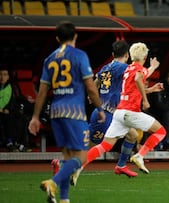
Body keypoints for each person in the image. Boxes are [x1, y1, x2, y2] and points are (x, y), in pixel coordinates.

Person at [28, 21, 106, 203]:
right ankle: (52, 183)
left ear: (57, 38)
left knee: (67, 157)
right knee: (81, 156)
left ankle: (64, 199)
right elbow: (91, 87)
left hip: (56, 111)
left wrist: (35, 116)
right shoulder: (79, 56)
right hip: (74, 112)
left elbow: (42, 91)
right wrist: (100, 108)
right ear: (75, 37)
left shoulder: (50, 58)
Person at [84, 42, 166, 175]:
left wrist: (90, 96)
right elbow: (140, 76)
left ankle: (121, 165)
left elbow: (96, 84)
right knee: (91, 148)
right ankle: (63, 163)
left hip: (109, 112)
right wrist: (153, 68)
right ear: (127, 55)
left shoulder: (105, 68)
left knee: (132, 135)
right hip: (106, 115)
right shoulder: (124, 68)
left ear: (112, 55)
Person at [0, 67, 21, 151]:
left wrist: (7, 109)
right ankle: (9, 141)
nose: (2, 77)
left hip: (6, 112)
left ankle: (13, 142)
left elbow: (12, 103)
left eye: (4, 75)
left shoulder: (11, 88)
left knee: (16, 117)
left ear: (8, 77)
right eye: (0, 74)